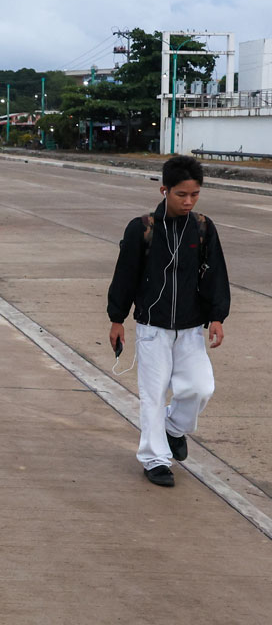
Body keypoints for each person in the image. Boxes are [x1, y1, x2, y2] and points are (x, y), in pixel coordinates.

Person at [107, 155, 230, 488]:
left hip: (191, 329)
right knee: (153, 394)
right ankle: (155, 459)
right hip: (152, 329)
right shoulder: (143, 228)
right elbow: (125, 275)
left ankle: (174, 429)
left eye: (195, 194)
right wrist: (116, 318)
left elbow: (216, 273)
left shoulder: (203, 228)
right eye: (181, 195)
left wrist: (217, 316)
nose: (188, 201)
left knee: (201, 388)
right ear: (164, 190)